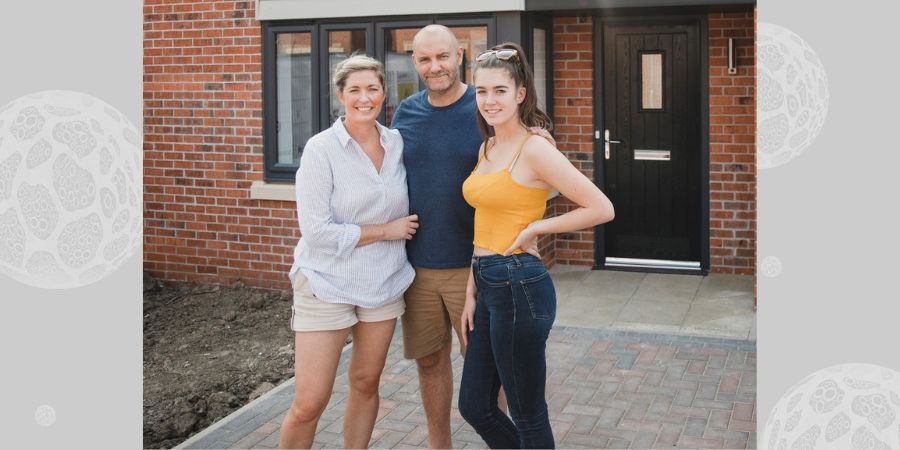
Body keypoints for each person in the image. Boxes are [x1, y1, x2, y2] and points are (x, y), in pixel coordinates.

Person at [391, 24, 555, 448]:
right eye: (425, 59)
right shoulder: (404, 113)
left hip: (480, 264)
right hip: (419, 264)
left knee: (491, 376)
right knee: (430, 361)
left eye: (443, 56)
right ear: (414, 63)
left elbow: (533, 170)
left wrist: (530, 229)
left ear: (459, 54)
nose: (435, 66)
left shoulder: (487, 104)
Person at [457, 42, 615, 449]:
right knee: (475, 405)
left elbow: (600, 207)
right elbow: (487, 216)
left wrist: (533, 231)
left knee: (528, 415)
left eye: (500, 91)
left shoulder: (535, 147)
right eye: (481, 91)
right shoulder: (487, 146)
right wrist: (471, 286)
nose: (489, 101)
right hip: (487, 280)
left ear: (521, 94)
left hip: (519, 285)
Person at [278, 55, 419, 449]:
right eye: (354, 90)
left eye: (372, 88)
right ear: (340, 96)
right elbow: (317, 232)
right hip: (327, 283)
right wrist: (386, 230)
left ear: (384, 93)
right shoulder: (321, 150)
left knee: (366, 382)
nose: (364, 97)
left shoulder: (396, 143)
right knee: (309, 402)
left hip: (384, 282)